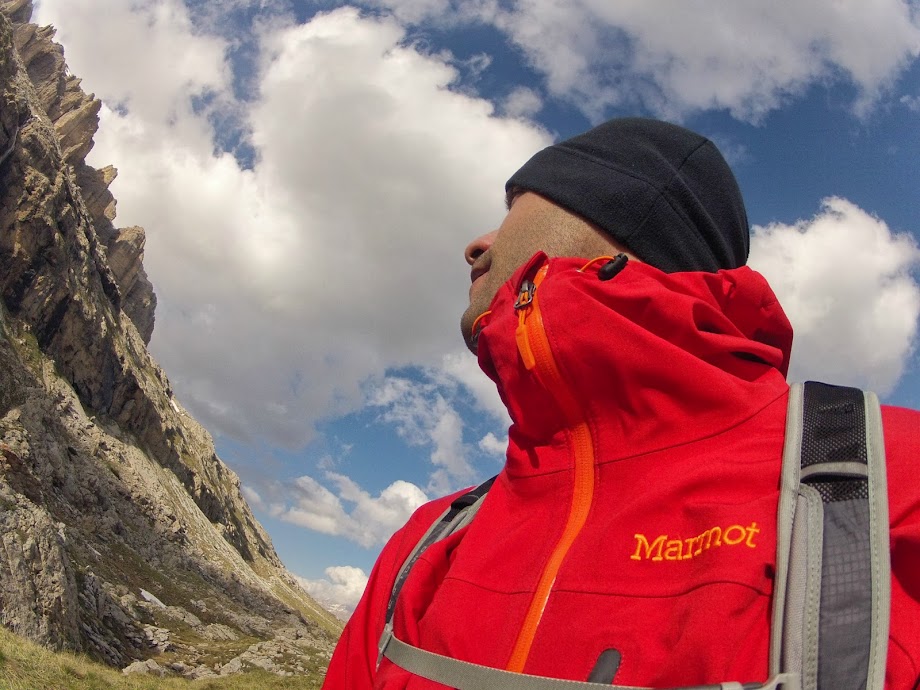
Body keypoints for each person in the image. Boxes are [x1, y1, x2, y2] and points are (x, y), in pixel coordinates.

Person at [322, 118, 920, 689]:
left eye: (513, 208)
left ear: (620, 219)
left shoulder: (892, 482)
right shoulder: (429, 541)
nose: (476, 244)